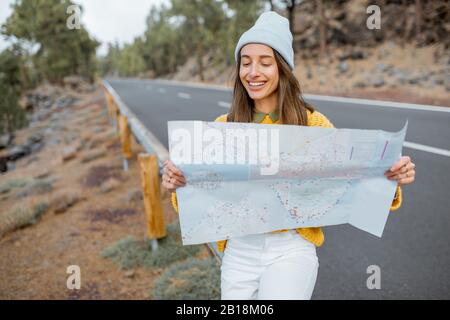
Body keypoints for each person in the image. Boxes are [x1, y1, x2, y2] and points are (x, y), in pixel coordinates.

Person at [162, 11, 416, 300]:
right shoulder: (222, 128)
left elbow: (349, 178)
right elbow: (197, 197)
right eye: (245, 63)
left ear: (283, 68)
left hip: (291, 249)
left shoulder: (313, 124)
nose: (253, 72)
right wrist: (176, 183)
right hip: (238, 250)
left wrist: (392, 178)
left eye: (265, 63)